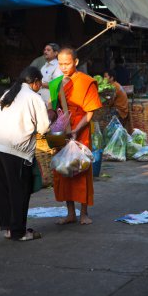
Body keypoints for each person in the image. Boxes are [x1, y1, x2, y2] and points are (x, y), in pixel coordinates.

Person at [0, 66, 50, 241]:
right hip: (14, 149)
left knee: (3, 188)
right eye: (40, 82)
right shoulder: (34, 98)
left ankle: (8, 228)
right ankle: (19, 232)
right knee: (19, 189)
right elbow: (44, 127)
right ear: (35, 82)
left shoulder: (8, 93)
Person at [50, 46, 102, 225]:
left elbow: (89, 113)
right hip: (62, 132)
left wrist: (76, 129)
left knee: (81, 169)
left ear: (76, 62)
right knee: (63, 170)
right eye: (61, 64)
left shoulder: (87, 82)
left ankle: (84, 213)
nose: (64, 67)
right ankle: (70, 213)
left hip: (81, 132)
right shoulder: (56, 83)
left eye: (67, 63)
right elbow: (53, 109)